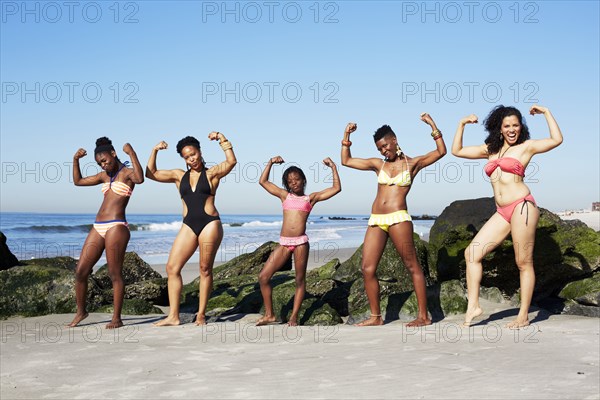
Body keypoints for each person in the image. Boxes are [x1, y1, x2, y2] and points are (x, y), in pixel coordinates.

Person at [452, 105, 563, 329]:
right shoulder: (491, 150)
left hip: (522, 206)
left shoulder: (526, 147)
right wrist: (461, 124)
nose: (512, 129)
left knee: (523, 262)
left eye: (515, 125)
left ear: (520, 127)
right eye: (507, 126)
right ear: (499, 128)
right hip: (501, 212)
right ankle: (473, 305)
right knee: (472, 253)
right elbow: (457, 151)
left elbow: (556, 139)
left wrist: (546, 112)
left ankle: (523, 315)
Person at [341, 114, 447, 327]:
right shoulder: (377, 165)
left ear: (394, 140)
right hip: (376, 219)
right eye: (379, 148)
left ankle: (424, 316)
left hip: (398, 218)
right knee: (367, 268)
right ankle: (376, 317)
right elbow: (346, 161)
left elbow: (441, 152)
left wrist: (433, 126)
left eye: (385, 146)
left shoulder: (412, 164)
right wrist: (346, 136)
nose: (383, 151)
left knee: (412, 265)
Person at [146, 133, 236, 326]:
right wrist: (154, 150)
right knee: (172, 268)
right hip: (188, 225)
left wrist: (222, 138)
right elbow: (150, 173)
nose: (191, 159)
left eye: (193, 154)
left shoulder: (212, 173)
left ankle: (201, 314)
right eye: (187, 156)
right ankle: (173, 316)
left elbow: (231, 161)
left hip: (210, 224)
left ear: (200, 152)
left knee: (205, 269)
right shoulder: (179, 176)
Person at [68, 137, 144, 329]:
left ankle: (116, 318)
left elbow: (140, 178)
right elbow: (78, 181)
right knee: (80, 271)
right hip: (98, 226)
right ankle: (81, 311)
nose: (103, 165)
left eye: (105, 161)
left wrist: (132, 152)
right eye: (99, 163)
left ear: (113, 154)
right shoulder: (103, 176)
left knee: (114, 273)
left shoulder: (127, 173)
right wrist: (75, 160)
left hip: (117, 226)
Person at [256, 156, 341, 326]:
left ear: (303, 180)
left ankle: (294, 316)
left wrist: (332, 166)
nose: (294, 183)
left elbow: (336, 188)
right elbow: (263, 181)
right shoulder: (284, 196)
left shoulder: (310, 198)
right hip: (284, 243)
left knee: (299, 280)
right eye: (290, 181)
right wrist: (271, 163)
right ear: (287, 184)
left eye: (297, 179)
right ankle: (270, 314)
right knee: (264, 277)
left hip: (301, 243)